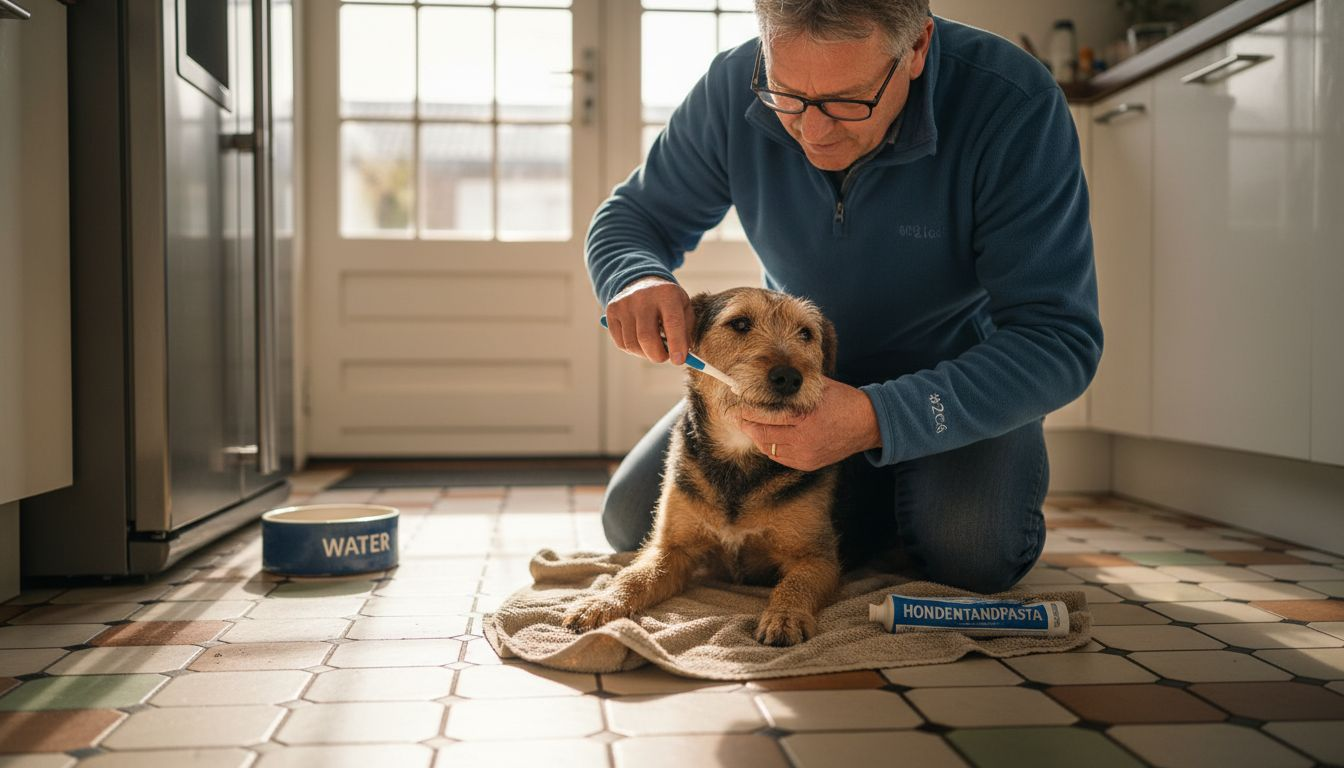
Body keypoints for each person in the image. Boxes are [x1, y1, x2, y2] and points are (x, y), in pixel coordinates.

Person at [586, 0, 1103, 594]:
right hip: (791, 372)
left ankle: (882, 486)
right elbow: (633, 218)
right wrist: (632, 276)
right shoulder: (733, 84)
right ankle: (869, 501)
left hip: (953, 383)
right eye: (786, 95)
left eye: (846, 101)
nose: (813, 130)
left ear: (916, 49)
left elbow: (1059, 339)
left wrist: (877, 420)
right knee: (628, 522)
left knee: (973, 554)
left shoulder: (1014, 103)